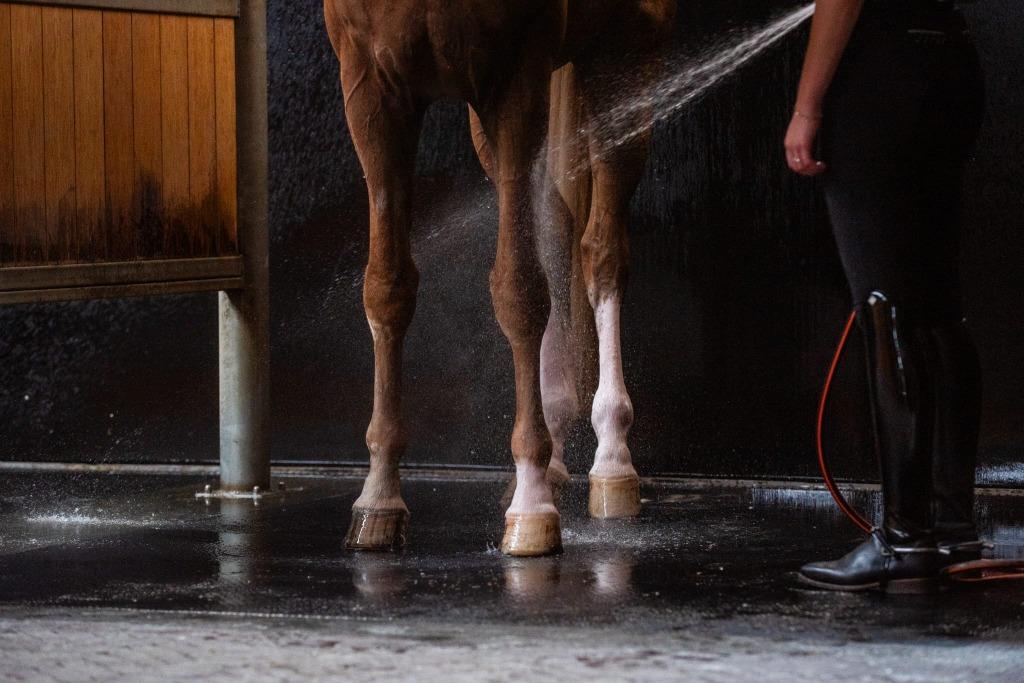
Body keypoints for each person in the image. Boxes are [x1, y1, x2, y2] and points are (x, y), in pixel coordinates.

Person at [784, 0, 985, 593]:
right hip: (952, 63)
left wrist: (806, 107)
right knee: (940, 307)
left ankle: (902, 539)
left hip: (881, 74)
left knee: (884, 304)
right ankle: (952, 527)